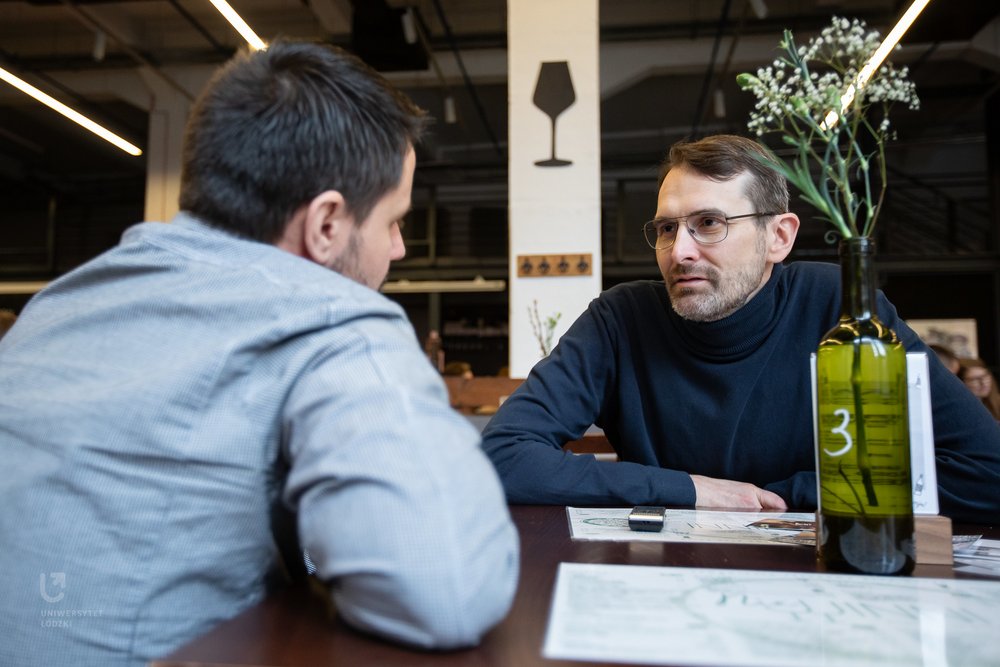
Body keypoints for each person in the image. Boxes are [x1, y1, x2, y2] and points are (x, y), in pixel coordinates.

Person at [0, 41, 518, 667]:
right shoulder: (335, 319)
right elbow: (450, 591)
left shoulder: (56, 305)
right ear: (327, 225)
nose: (400, 249)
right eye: (393, 220)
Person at [482, 134, 1000, 523]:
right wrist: (689, 489)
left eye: (709, 223)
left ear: (778, 236)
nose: (679, 251)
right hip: (670, 591)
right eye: (667, 228)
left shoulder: (837, 307)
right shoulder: (621, 319)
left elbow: (986, 471)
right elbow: (503, 457)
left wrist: (789, 495)